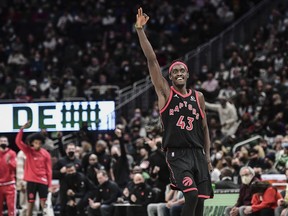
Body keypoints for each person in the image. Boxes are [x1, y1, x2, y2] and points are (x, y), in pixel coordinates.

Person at [135, 7, 213, 216]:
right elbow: (152, 61)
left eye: (182, 71)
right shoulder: (165, 94)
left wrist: (207, 157)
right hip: (177, 154)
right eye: (174, 71)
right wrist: (140, 30)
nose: (178, 73)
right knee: (192, 195)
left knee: (201, 203)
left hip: (198, 153)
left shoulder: (199, 97)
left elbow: (205, 128)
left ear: (187, 75)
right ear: (170, 77)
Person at [15, 120, 52, 216]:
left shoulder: (46, 154)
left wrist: (50, 184)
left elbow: (49, 170)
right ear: (32, 143)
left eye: (39, 143)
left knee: (44, 204)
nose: (37, 145)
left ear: (42, 143)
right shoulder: (28, 151)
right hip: (31, 181)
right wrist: (21, 129)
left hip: (43, 181)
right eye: (35, 143)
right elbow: (18, 142)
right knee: (30, 203)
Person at [0, 136, 17, 216]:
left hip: (9, 184)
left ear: (8, 143)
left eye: (5, 141)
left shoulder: (12, 153)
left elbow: (15, 167)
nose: (3, 142)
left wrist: (9, 162)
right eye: (1, 141)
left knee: (11, 208)